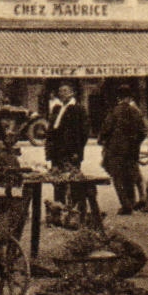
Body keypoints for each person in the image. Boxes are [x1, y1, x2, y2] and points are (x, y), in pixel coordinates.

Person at [45, 84, 93, 221]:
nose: (62, 93)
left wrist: (77, 151)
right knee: (58, 182)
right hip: (57, 152)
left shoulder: (78, 109)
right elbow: (52, 129)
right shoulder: (57, 108)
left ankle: (76, 214)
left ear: (72, 93)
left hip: (71, 151)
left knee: (74, 182)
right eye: (60, 91)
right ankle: (58, 213)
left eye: (65, 91)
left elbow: (83, 133)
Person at [100, 90, 148, 215]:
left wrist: (102, 140)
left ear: (118, 98)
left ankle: (125, 204)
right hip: (132, 150)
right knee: (130, 176)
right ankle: (132, 202)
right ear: (130, 97)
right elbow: (143, 131)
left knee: (118, 177)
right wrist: (136, 143)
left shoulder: (114, 111)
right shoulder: (136, 112)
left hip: (115, 150)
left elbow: (106, 129)